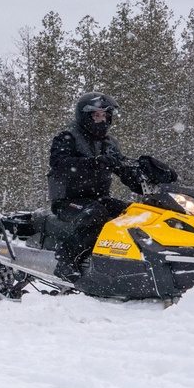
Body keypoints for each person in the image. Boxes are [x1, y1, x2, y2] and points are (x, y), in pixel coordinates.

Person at [47, 92, 162, 282]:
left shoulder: (109, 144)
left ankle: (129, 262)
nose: (101, 120)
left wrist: (147, 177)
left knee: (133, 213)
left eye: (105, 116)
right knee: (96, 213)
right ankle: (65, 262)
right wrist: (93, 163)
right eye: (97, 115)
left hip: (99, 198)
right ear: (85, 116)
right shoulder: (67, 137)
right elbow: (59, 164)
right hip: (68, 201)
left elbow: (121, 167)